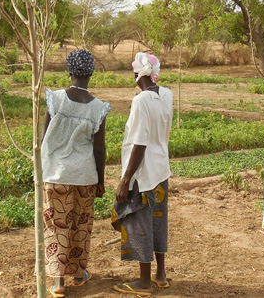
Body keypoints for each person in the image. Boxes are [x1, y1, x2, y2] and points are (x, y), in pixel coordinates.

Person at [41, 49, 110, 298]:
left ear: (69, 71)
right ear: (91, 73)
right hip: (85, 176)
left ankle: (59, 282)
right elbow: (99, 150)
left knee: (56, 225)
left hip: (57, 175)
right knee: (81, 225)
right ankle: (79, 274)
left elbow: (45, 138)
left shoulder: (56, 99)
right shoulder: (98, 108)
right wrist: (100, 181)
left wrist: (42, 170)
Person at [112, 52, 173, 296]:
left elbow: (139, 143)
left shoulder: (140, 102)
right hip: (161, 169)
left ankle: (144, 282)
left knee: (140, 223)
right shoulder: (167, 94)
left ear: (138, 74)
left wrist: (125, 180)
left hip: (143, 174)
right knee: (158, 220)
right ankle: (160, 274)